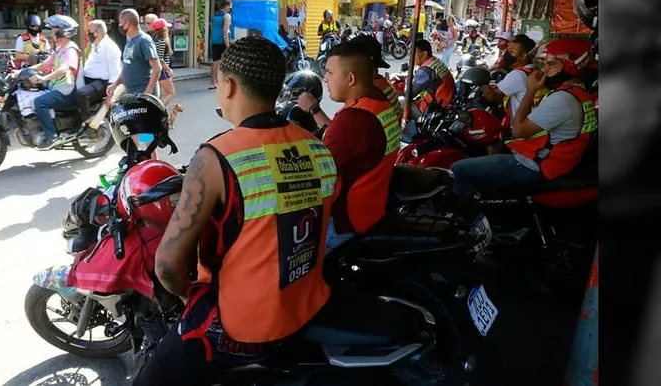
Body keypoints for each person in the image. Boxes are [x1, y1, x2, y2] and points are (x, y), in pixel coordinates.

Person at [133, 36, 339, 386]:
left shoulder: (215, 158)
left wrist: (189, 296)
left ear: (228, 85)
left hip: (242, 326)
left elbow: (167, 266)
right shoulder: (319, 148)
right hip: (305, 305)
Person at [450, 38, 598, 198]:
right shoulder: (579, 93)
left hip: (539, 165)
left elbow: (519, 129)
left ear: (572, 65)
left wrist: (530, 90)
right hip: (558, 161)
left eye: (552, 64)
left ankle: (472, 219)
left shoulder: (563, 98)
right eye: (545, 64)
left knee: (458, 169)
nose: (546, 70)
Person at [296, 42, 400, 252]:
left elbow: (317, 173)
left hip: (344, 223)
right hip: (372, 208)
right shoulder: (378, 101)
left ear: (350, 78)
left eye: (330, 72)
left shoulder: (354, 120)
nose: (325, 79)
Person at [27, 14, 82, 149]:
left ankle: (52, 136)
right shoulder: (59, 49)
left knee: (40, 102)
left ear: (62, 32)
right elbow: (43, 65)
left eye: (54, 31)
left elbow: (64, 69)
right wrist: (22, 72)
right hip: (58, 88)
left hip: (67, 92)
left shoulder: (70, 49)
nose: (52, 34)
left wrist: (43, 78)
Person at [482, 34, 540, 126]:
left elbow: (492, 96)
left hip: (519, 126)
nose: (507, 54)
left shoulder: (518, 74)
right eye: (508, 49)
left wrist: (483, 86)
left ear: (524, 56)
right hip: (531, 122)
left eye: (512, 51)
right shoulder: (535, 70)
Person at [106, 8, 162, 103]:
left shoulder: (144, 40)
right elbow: (127, 67)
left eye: (120, 23)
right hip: (132, 93)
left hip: (143, 94)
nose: (119, 26)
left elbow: (157, 68)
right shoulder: (129, 40)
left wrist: (147, 94)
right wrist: (115, 84)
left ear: (127, 23)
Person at [77, 19, 121, 124]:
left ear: (99, 32)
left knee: (81, 94)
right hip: (88, 79)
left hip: (101, 82)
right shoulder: (93, 45)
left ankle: (88, 122)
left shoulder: (110, 47)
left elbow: (115, 73)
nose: (88, 34)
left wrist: (110, 96)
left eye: (90, 31)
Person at [412, 39, 455, 116]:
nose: (411, 56)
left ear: (424, 54)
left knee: (402, 101)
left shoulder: (425, 70)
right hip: (449, 101)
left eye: (414, 53)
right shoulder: (434, 61)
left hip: (436, 108)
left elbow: (410, 93)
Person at [151, 18, 176, 107]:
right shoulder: (161, 41)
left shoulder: (154, 40)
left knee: (160, 95)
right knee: (171, 92)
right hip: (162, 71)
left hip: (158, 71)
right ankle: (159, 111)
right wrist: (168, 69)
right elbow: (160, 59)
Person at [209, 0, 232, 90]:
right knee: (226, 62)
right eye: (230, 6)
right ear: (226, 6)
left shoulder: (216, 15)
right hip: (222, 41)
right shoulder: (227, 16)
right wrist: (228, 44)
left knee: (215, 61)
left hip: (214, 40)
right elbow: (225, 31)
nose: (230, 8)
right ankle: (222, 82)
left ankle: (212, 82)